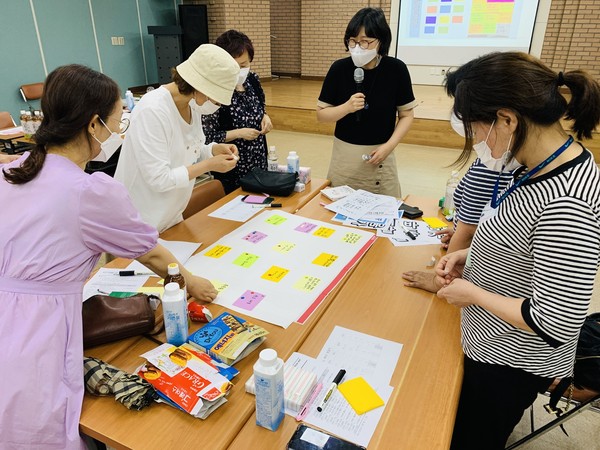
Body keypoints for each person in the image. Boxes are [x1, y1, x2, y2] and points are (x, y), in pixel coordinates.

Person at [0, 64, 217, 449]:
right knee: (45, 422)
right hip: (39, 325)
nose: (119, 132)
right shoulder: (90, 192)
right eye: (118, 122)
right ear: (93, 124)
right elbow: (151, 254)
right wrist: (189, 280)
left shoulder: (12, 170)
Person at [434, 52, 600, 450]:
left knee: (469, 438)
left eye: (476, 126)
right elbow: (524, 247)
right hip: (489, 343)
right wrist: (469, 258)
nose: (475, 139)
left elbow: (554, 321)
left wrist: (470, 292)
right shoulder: (536, 163)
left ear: (507, 119)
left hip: (510, 363)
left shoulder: (566, 200)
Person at [115, 44, 241, 232]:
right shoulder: (153, 110)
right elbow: (160, 179)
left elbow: (190, 151)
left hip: (170, 214)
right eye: (215, 100)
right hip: (138, 220)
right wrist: (209, 165)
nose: (215, 105)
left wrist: (212, 150)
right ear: (200, 88)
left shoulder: (192, 105)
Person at [402, 113, 519, 292]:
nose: (475, 141)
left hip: (471, 276)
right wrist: (460, 232)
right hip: (474, 254)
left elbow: (468, 229)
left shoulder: (492, 167)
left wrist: (438, 280)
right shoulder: (498, 159)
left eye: (474, 131)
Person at [317, 7, 417, 197]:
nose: (357, 47)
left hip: (381, 154)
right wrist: (346, 108)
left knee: (384, 212)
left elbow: (406, 115)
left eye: (365, 42)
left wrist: (389, 147)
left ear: (381, 41)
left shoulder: (396, 69)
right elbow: (321, 114)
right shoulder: (339, 69)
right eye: (353, 41)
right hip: (345, 156)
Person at [203, 30, 273, 194]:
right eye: (234, 66)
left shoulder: (252, 79)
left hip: (258, 158)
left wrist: (265, 116)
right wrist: (239, 133)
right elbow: (207, 137)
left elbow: (261, 106)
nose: (239, 70)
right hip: (231, 164)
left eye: (244, 65)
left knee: (261, 201)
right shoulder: (214, 90)